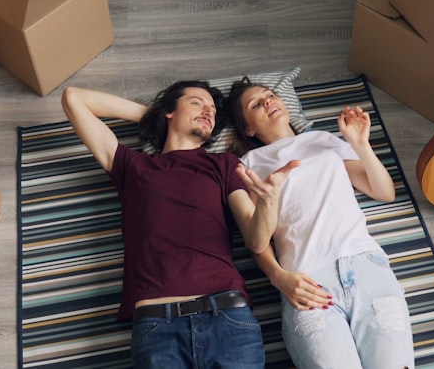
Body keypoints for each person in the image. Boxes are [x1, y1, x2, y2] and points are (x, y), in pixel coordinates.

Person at [61, 80, 296, 368]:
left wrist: (268, 200)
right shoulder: (132, 165)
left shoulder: (225, 164)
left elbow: (256, 240)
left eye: (212, 109)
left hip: (227, 317)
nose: (208, 112)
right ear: (169, 111)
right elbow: (74, 98)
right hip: (157, 326)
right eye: (197, 102)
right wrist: (154, 115)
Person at [228, 77, 415, 369]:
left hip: (367, 268)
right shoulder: (250, 164)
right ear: (248, 128)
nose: (268, 101)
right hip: (308, 279)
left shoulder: (324, 140)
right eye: (255, 103)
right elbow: (257, 240)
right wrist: (278, 277)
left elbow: (384, 192)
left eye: (270, 95)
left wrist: (360, 145)